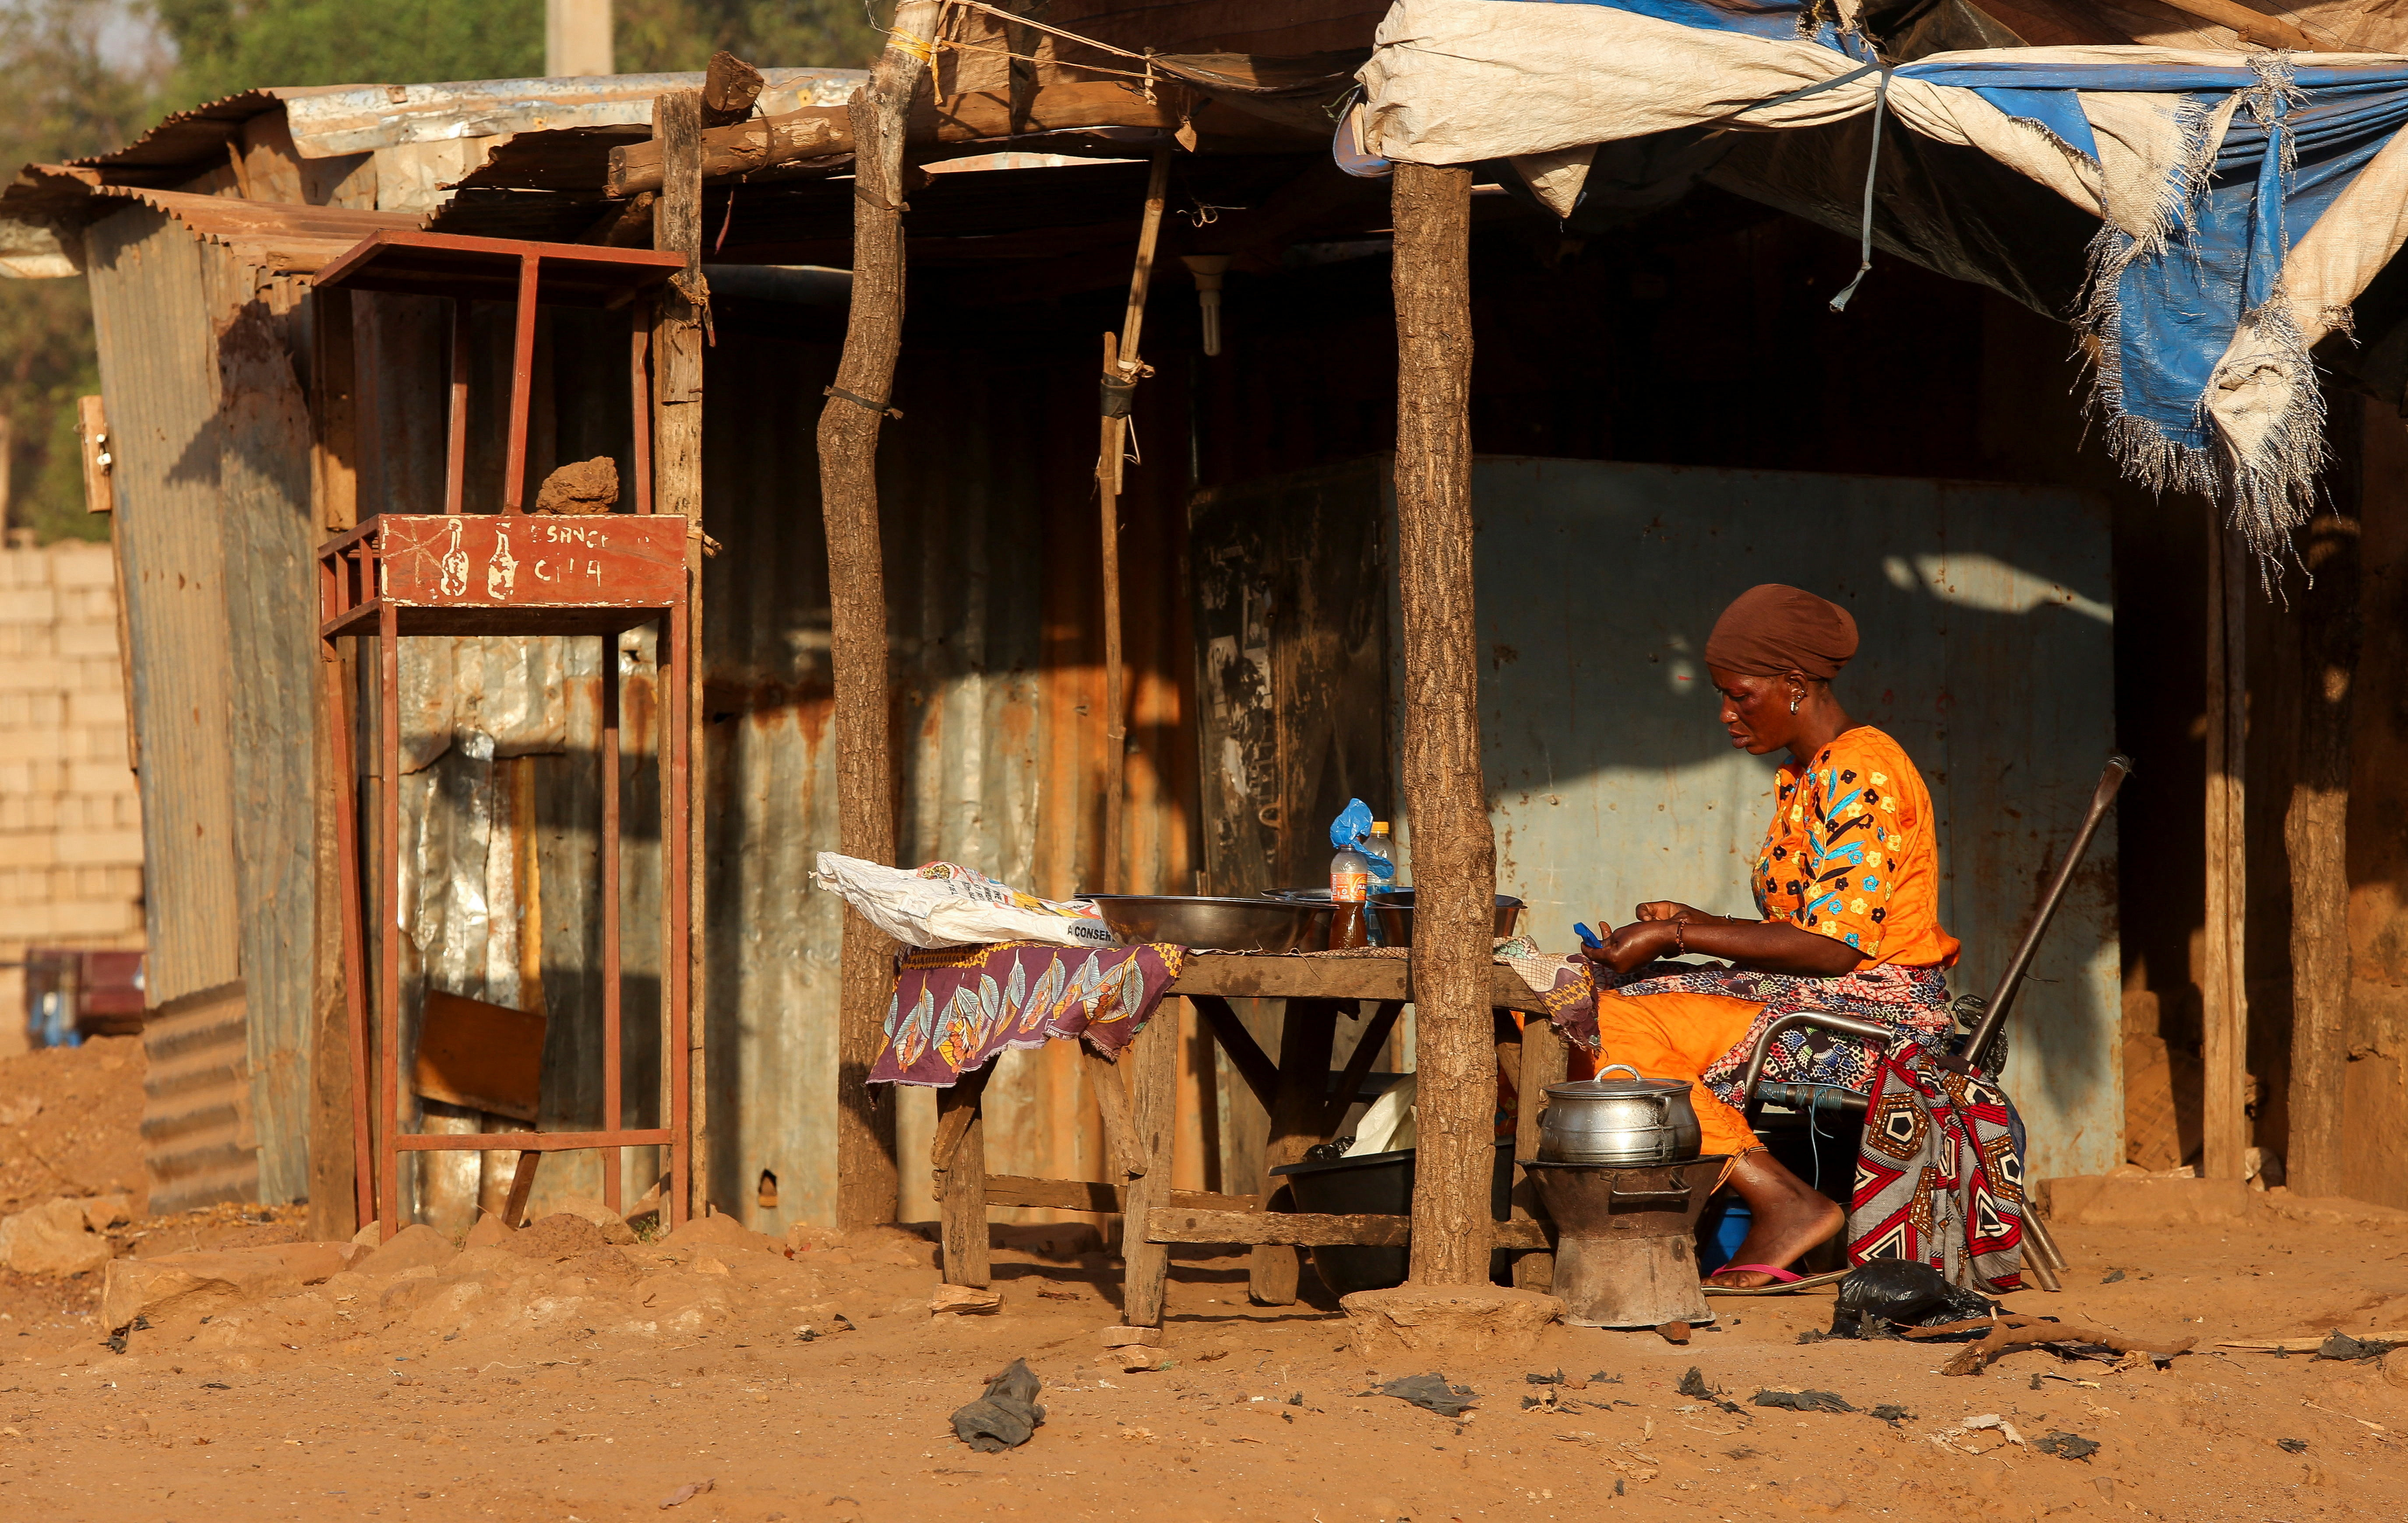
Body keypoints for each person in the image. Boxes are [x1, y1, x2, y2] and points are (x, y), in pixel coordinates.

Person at [1580, 583, 1960, 1289]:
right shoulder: (1805, 775)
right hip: (1825, 994)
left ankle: (1781, 1200)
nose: (1726, 714)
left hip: (1877, 1020)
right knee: (1587, 999)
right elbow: (1811, 930)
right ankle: (1749, 1196)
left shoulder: (1861, 771)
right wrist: (1687, 922)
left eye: (1740, 695)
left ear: (1794, 686)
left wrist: (1681, 936)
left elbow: (1836, 948)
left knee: (1608, 1018)